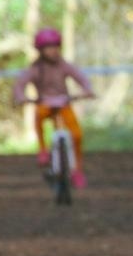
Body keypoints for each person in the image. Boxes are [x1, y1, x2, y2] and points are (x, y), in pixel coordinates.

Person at [11, 28, 95, 189]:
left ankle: (77, 170)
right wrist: (21, 97)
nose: (52, 51)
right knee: (39, 116)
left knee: (76, 134)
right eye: (48, 48)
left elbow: (80, 77)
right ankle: (42, 149)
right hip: (44, 103)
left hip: (63, 104)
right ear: (41, 51)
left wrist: (87, 89)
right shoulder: (36, 68)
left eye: (55, 47)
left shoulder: (63, 66)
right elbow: (20, 84)